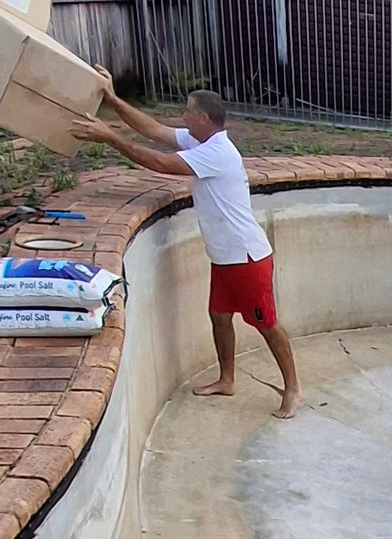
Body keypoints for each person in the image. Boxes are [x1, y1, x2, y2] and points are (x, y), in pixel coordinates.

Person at [69, 85, 301, 418]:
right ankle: (227, 379)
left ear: (204, 118)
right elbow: (152, 129)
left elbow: (161, 163)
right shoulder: (201, 140)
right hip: (224, 256)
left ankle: (293, 389)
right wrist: (112, 97)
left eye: (188, 111)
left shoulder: (218, 152)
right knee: (219, 318)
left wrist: (111, 138)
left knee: (266, 323)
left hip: (246, 257)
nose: (183, 116)